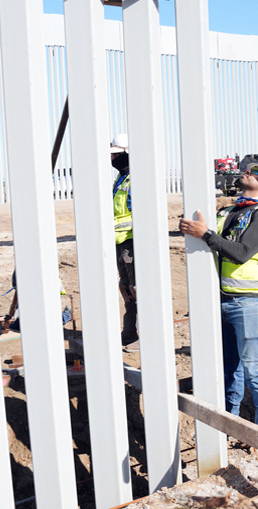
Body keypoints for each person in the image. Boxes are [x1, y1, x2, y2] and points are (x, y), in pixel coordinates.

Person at [178, 161, 258, 432]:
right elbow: (206, 236)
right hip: (221, 300)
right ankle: (230, 425)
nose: (247, 171)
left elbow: (241, 251)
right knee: (230, 368)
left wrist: (206, 235)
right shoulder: (230, 210)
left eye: (256, 172)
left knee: (252, 368)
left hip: (247, 303)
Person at [110, 133, 139, 353]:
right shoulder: (122, 177)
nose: (113, 158)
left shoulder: (136, 178)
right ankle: (129, 332)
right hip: (120, 242)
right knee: (126, 288)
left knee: (136, 288)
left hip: (131, 241)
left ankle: (141, 334)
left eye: (116, 154)